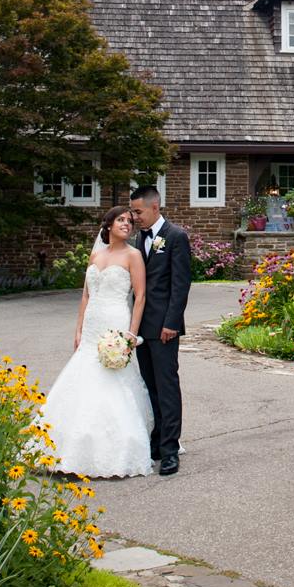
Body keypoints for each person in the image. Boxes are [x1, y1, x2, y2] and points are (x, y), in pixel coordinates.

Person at [34, 206, 155, 478]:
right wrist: (78, 330)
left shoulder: (133, 256)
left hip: (116, 321)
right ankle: (65, 448)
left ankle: (111, 449)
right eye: (121, 220)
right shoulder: (95, 255)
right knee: (82, 376)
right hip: (91, 326)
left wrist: (131, 335)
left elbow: (141, 296)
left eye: (130, 221)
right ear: (109, 224)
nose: (127, 224)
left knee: (112, 380)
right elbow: (86, 296)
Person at [130, 183, 190, 475]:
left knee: (167, 388)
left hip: (164, 327)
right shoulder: (136, 240)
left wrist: (172, 324)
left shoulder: (176, 237)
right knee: (149, 388)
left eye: (138, 211)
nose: (135, 217)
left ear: (155, 207)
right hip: (141, 328)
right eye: (132, 212)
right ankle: (155, 441)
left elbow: (180, 285)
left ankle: (170, 449)